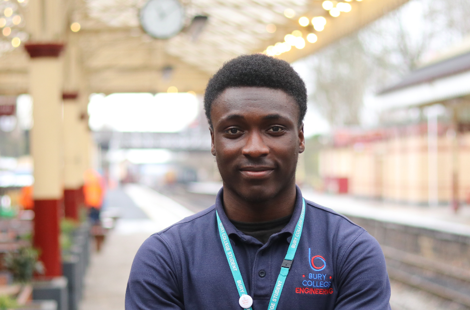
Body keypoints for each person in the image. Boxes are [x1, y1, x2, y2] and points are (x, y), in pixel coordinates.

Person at [126, 54, 391, 309]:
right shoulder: (165, 258)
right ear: (212, 141)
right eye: (234, 131)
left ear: (300, 138)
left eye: (274, 129)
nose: (254, 148)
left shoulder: (351, 251)